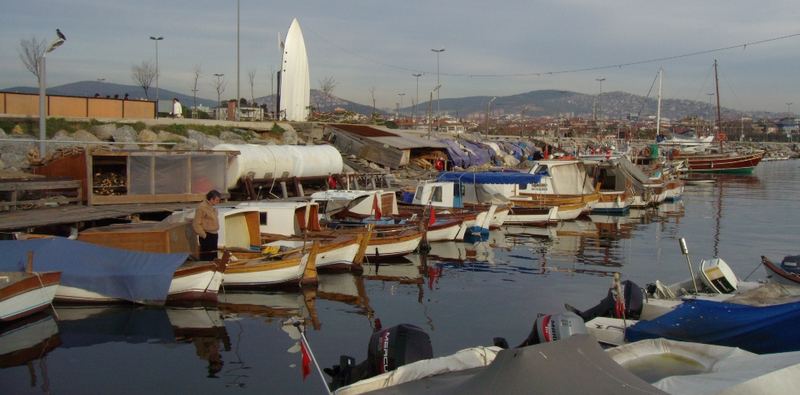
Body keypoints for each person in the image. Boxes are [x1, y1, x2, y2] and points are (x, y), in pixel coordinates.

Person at [193, 190, 222, 260]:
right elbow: (196, 223)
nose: (218, 202)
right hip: (207, 235)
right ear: (211, 199)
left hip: (214, 234)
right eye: (217, 200)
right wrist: (204, 235)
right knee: (207, 256)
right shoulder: (202, 208)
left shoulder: (212, 207)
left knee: (214, 255)